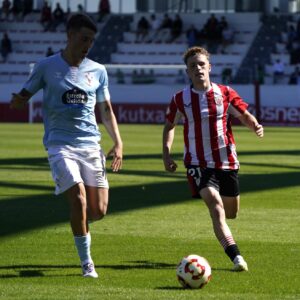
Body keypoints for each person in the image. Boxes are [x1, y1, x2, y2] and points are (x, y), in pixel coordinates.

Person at [10, 13, 123, 278]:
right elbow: (25, 94)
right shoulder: (46, 66)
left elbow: (106, 110)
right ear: (69, 35)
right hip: (59, 145)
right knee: (79, 198)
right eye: (84, 39)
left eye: (92, 41)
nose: (88, 45)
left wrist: (118, 142)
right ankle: (87, 264)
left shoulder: (98, 71)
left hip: (90, 146)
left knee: (98, 210)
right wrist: (19, 101)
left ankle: (79, 222)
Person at [162, 46, 264, 272]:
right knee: (216, 207)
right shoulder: (180, 99)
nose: (197, 68)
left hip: (226, 161)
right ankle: (237, 258)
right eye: (192, 66)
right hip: (197, 163)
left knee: (231, 213)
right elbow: (170, 126)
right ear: (187, 72)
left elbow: (244, 115)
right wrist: (166, 153)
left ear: (209, 67)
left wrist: (254, 125)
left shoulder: (225, 93)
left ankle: (226, 235)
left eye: (201, 64)